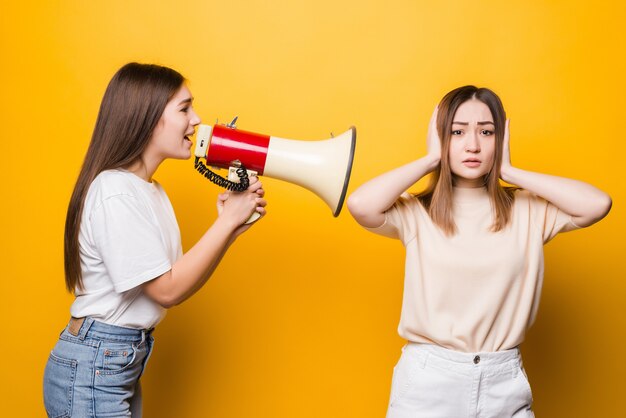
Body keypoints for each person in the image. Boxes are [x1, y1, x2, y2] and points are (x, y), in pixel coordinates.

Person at [347, 85, 611, 417]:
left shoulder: (528, 209)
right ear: (441, 138)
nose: (473, 145)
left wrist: (511, 172)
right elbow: (360, 205)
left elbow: (598, 204)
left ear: (500, 139)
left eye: (486, 132)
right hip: (430, 382)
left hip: (504, 382)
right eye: (457, 132)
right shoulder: (417, 212)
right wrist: (430, 159)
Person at [43, 62, 267, 417]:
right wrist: (226, 225)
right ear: (146, 118)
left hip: (116, 361)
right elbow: (167, 290)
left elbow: (177, 280)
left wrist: (230, 225)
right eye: (184, 108)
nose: (197, 120)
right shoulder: (115, 191)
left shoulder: (150, 191)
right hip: (95, 366)